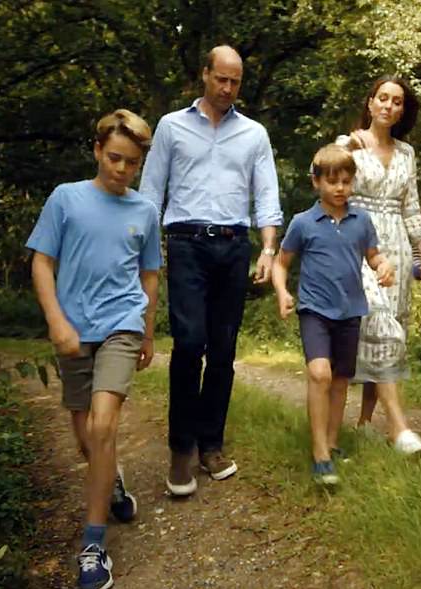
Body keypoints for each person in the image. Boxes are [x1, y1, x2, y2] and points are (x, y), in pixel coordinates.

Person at [26, 109, 162, 589]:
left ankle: (92, 544)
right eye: (114, 158)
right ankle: (115, 482)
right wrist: (57, 321)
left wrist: (146, 333)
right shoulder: (66, 199)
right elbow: (42, 263)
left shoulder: (144, 211)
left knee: (104, 426)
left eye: (131, 163)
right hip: (73, 329)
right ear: (97, 150)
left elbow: (149, 277)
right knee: (87, 438)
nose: (122, 170)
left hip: (122, 324)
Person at [139, 45, 282, 495]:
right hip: (185, 244)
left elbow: (267, 195)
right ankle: (181, 449)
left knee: (222, 349)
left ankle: (211, 443)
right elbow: (149, 194)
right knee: (188, 343)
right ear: (205, 75)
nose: (227, 88)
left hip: (234, 246)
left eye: (235, 81)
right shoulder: (171, 127)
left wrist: (268, 248)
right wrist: (143, 253)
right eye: (220, 79)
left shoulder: (254, 134)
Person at [272, 144, 395, 485]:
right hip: (314, 310)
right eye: (332, 181)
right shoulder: (303, 223)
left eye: (346, 180)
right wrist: (283, 292)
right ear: (317, 183)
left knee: (340, 380)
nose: (340, 188)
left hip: (350, 310)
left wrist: (385, 267)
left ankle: (332, 441)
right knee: (320, 374)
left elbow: (374, 257)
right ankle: (319, 454)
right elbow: (282, 264)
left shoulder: (361, 221)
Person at [336, 75, 421, 454]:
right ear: (370, 102)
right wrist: (347, 143)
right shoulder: (350, 145)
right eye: (383, 98)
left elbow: (411, 208)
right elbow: (324, 169)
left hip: (397, 248)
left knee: (391, 333)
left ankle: (364, 423)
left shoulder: (407, 153)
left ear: (402, 110)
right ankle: (398, 429)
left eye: (397, 101)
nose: (389, 106)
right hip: (359, 244)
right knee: (380, 325)